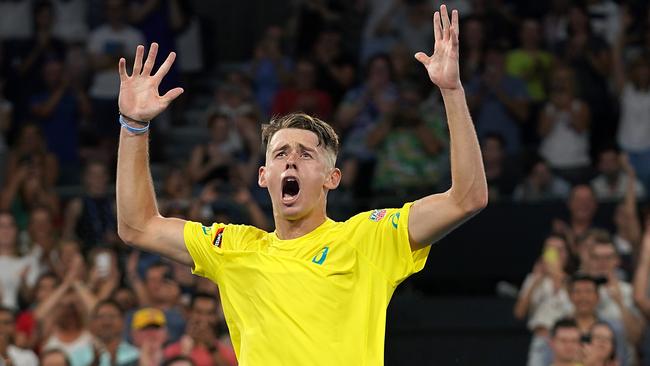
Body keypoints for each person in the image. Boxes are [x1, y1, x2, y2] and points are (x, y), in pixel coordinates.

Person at [115, 5, 487, 365]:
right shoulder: (233, 247)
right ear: (264, 177)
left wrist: (452, 92)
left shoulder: (367, 240)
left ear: (332, 178)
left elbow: (467, 198)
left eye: (306, 155)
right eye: (280, 154)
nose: (290, 159)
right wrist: (133, 126)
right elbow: (138, 226)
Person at [164, 293, 236, 366]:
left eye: (209, 313)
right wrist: (185, 351)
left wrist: (212, 347)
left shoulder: (229, 353)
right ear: (189, 313)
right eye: (198, 312)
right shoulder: (171, 351)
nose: (203, 319)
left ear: (216, 317)